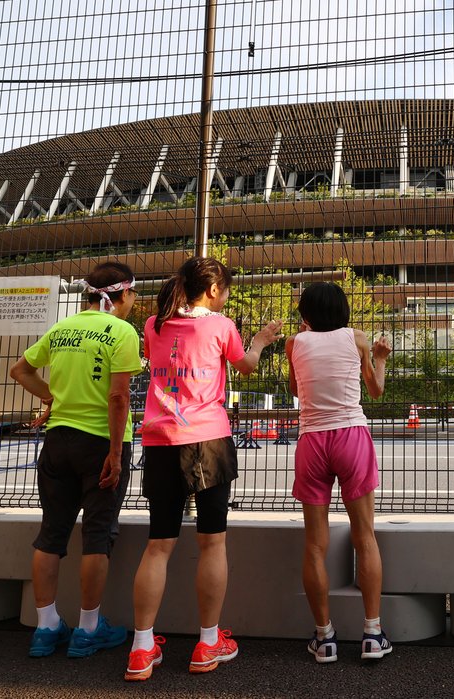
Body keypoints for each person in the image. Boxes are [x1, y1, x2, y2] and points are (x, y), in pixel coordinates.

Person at [124, 256, 283, 681]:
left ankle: (141, 648)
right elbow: (246, 366)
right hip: (208, 439)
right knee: (212, 542)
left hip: (160, 440)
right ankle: (208, 640)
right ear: (213, 291)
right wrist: (263, 339)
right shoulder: (220, 325)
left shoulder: (153, 326)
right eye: (226, 289)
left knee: (159, 543)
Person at [9, 261, 141, 659]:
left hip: (58, 442)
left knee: (52, 534)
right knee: (97, 535)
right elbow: (118, 397)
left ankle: (46, 627)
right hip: (100, 443)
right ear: (122, 294)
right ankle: (87, 629)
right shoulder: (121, 331)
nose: (134, 301)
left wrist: (51, 399)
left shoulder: (62, 328)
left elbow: (21, 370)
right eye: (133, 294)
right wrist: (116, 454)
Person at [285, 281, 392, 663]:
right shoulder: (358, 338)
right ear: (344, 311)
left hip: (312, 440)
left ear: (306, 315)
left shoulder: (294, 344)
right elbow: (375, 390)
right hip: (351, 435)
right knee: (365, 537)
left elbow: (297, 390)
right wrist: (379, 357)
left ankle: (324, 637)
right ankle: (372, 634)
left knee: (315, 544)